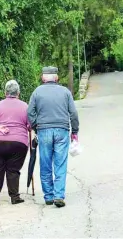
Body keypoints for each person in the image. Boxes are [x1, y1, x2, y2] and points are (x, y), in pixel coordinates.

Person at [27, 66, 79, 208]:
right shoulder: (65, 92)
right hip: (62, 130)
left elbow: (30, 112)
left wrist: (36, 126)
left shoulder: (37, 92)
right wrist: (74, 131)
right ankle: (58, 195)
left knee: (45, 164)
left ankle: (48, 196)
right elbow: (73, 114)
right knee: (60, 164)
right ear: (56, 78)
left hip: (44, 131)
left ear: (43, 78)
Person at [0, 80, 30, 205]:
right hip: (18, 143)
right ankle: (14, 197)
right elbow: (30, 124)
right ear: (18, 93)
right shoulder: (25, 106)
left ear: (5, 93)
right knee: (13, 169)